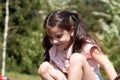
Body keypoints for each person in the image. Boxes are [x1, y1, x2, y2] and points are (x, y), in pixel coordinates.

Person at [38, 9, 117, 80]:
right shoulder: (54, 51)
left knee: (76, 58)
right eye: (51, 38)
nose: (54, 41)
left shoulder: (85, 44)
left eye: (59, 36)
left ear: (71, 30)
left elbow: (106, 64)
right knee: (44, 67)